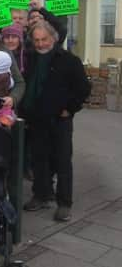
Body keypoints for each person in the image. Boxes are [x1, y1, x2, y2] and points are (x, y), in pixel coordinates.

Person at [21, 21, 90, 222]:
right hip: (36, 118)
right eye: (37, 40)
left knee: (62, 161)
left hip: (60, 120)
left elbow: (83, 89)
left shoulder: (69, 60)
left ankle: (64, 203)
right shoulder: (32, 58)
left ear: (54, 38)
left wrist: (70, 109)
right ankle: (41, 195)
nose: (41, 44)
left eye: (44, 39)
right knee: (39, 159)